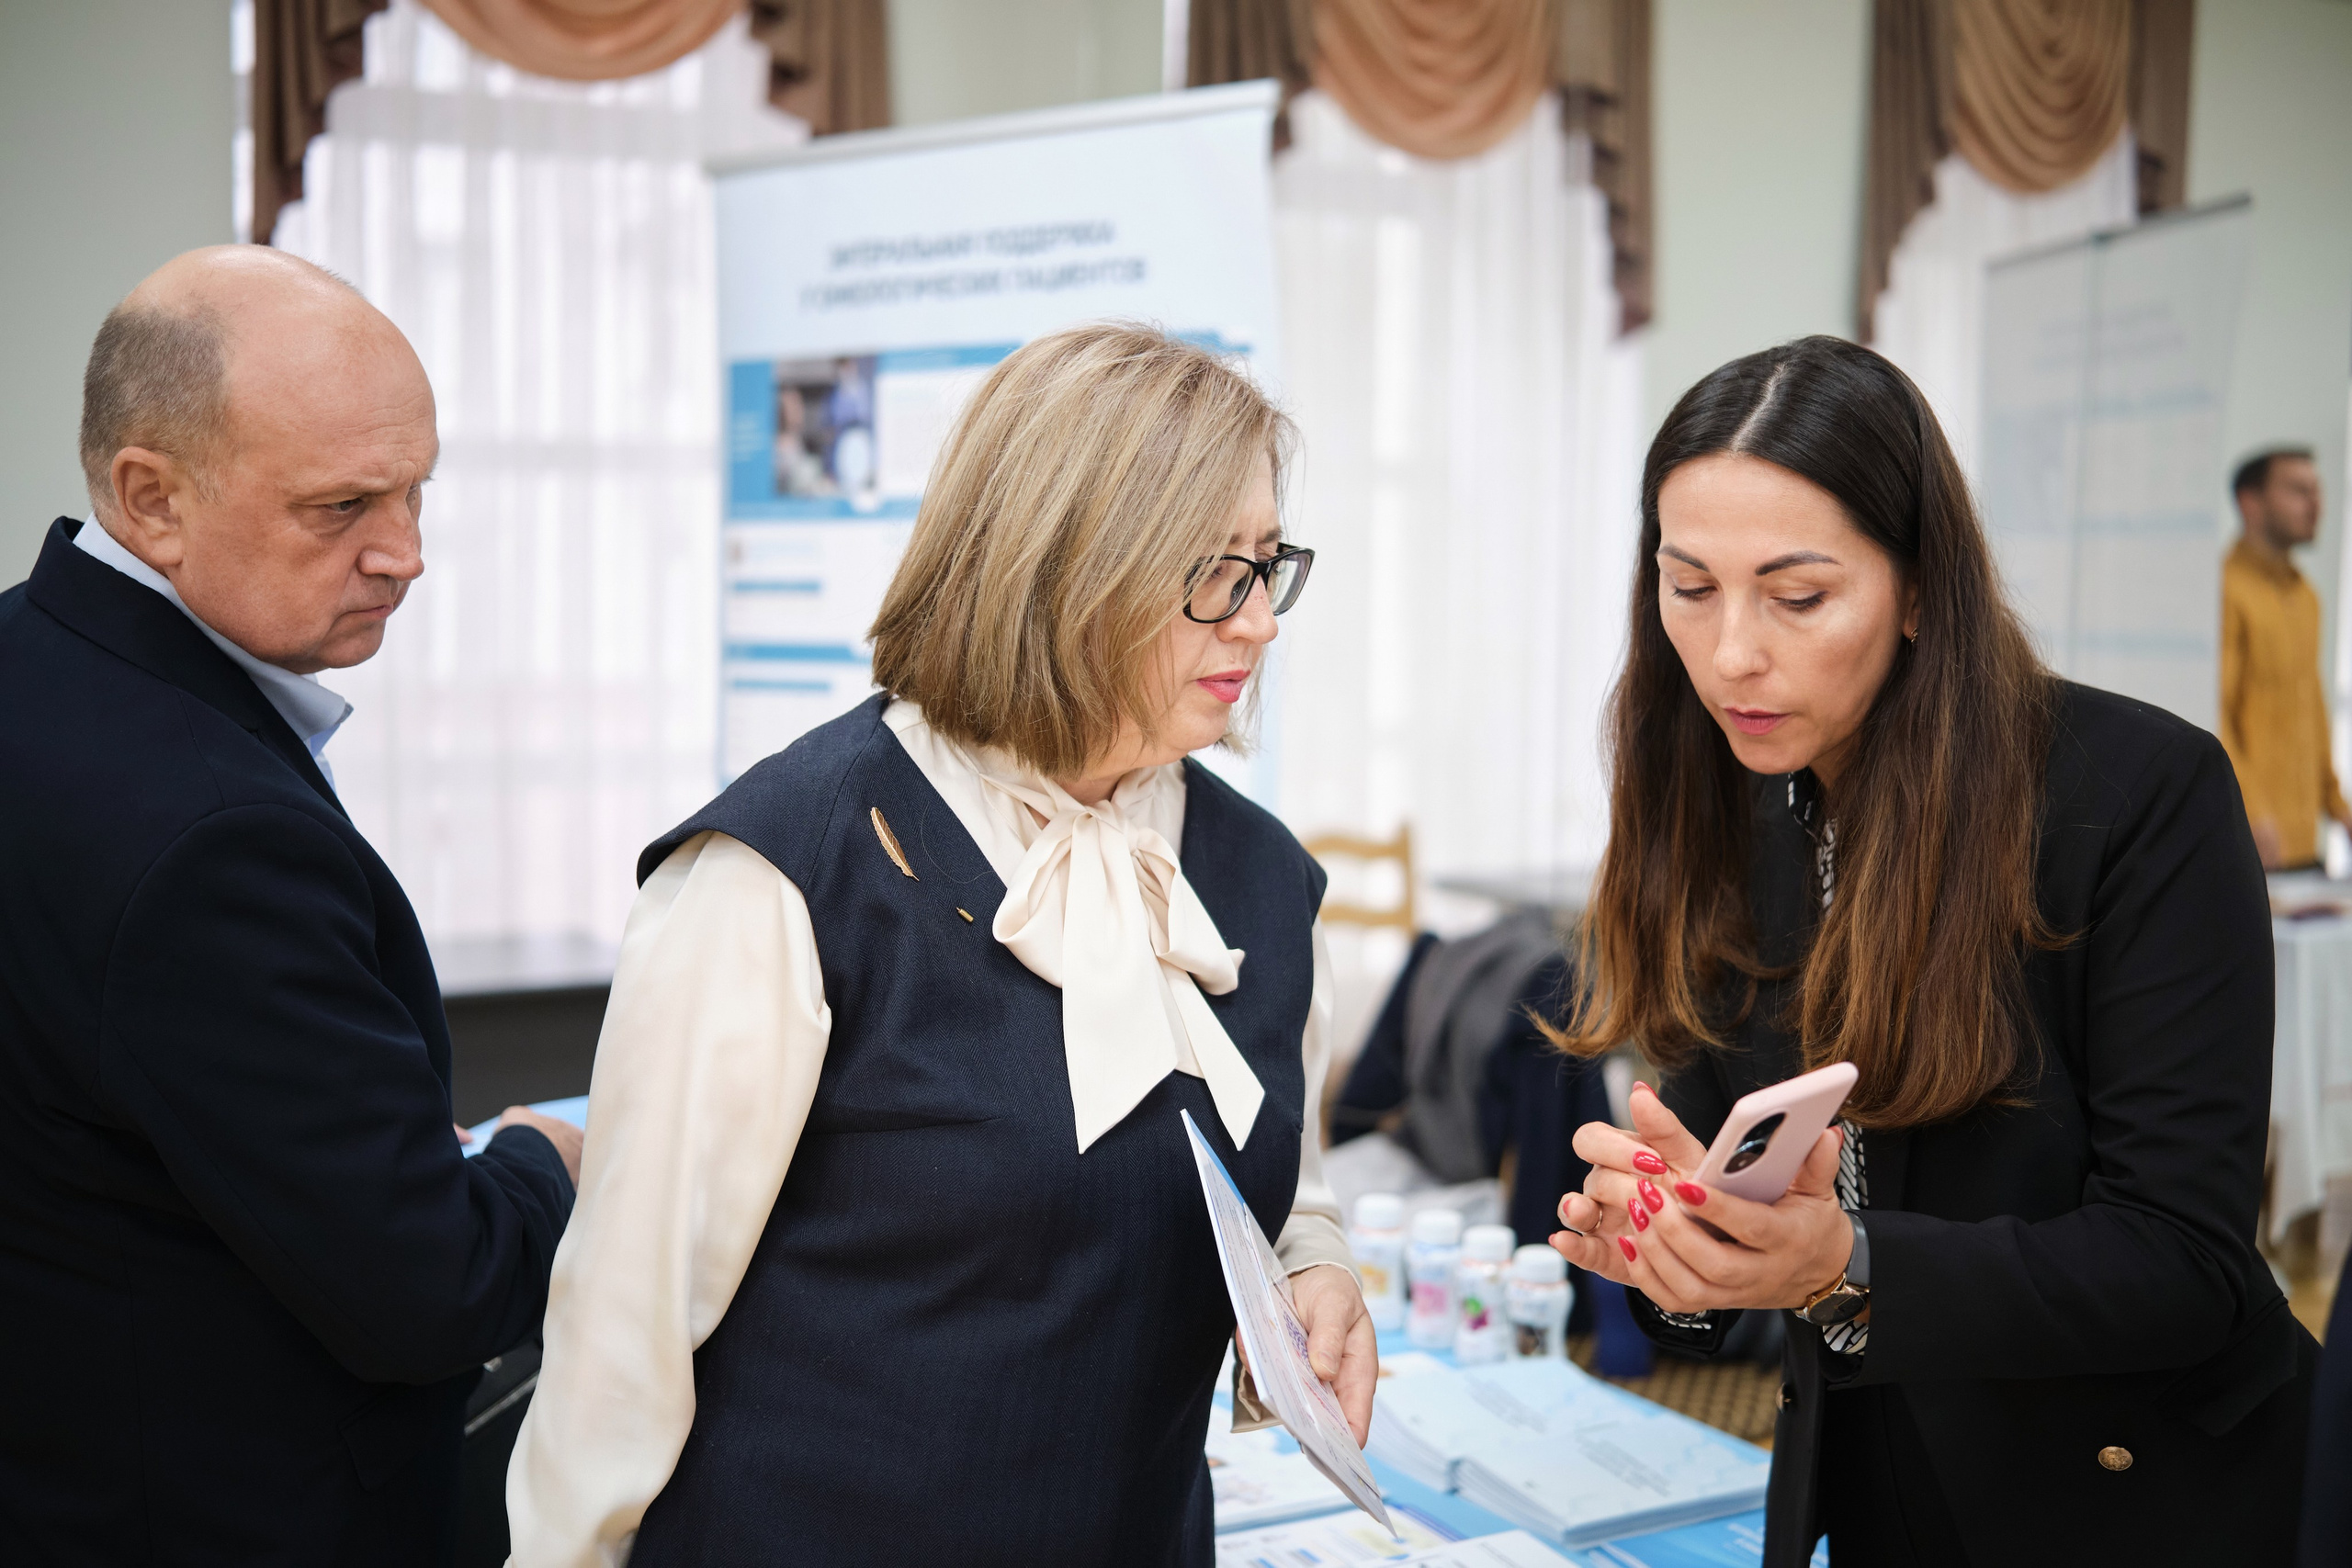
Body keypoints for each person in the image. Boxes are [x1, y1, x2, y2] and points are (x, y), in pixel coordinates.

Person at [506, 323, 1371, 1567]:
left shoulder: (1260, 876)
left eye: (1266, 564)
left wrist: (1316, 1267)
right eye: (1211, 571)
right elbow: (619, 1336)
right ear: (1063, 566)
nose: (1258, 623)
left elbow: (1284, 1185)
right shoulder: (786, 871)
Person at [1545, 336, 2312, 1566]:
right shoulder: (1731, 799)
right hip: (1875, 1480)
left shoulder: (2138, 794)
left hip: (2140, 1499)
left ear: (1918, 590)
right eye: (1689, 586)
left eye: (1798, 597)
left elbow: (2183, 1260)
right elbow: (1732, 1183)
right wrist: (1676, 1253)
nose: (1733, 652)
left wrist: (1844, 1265)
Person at [0, 246, 581, 1564]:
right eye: (342, 507)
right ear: (152, 499)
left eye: (417, 490)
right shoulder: (212, 836)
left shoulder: (33, 662)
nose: (407, 554)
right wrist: (543, 1160)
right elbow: (432, 1292)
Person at [2220, 446, 2345, 869]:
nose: (2316, 505)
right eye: (2298, 490)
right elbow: (2216, 713)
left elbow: (2311, 709)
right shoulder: (2226, 590)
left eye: (2316, 490)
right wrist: (2251, 809)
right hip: (2253, 837)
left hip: (2303, 839)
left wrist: (2338, 806)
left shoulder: (2306, 597)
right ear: (2250, 503)